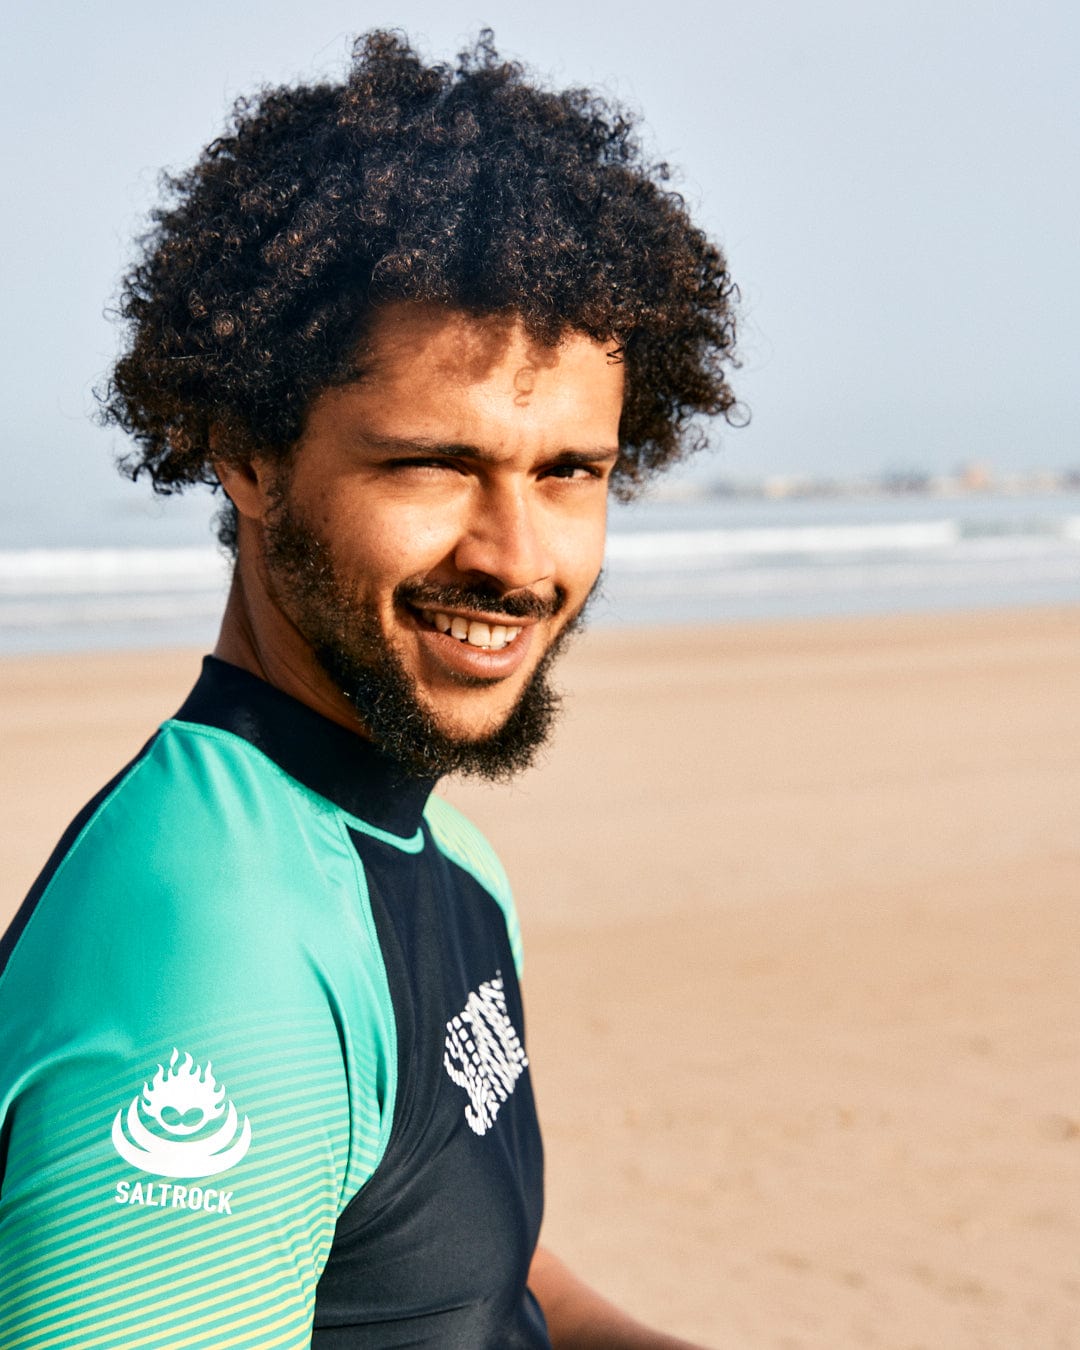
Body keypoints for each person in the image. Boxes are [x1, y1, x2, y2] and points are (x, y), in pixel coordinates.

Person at [0, 31, 738, 1349]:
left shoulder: (431, 848)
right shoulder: (216, 947)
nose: (516, 557)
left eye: (569, 471)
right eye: (432, 464)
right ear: (247, 452)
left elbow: (458, 1263)